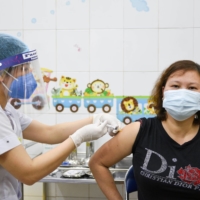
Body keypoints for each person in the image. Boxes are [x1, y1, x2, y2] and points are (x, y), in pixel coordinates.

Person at [0, 33, 122, 200]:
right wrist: (78, 138)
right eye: (24, 69)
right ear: (1, 74)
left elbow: (49, 132)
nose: (31, 74)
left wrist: (95, 118)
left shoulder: (7, 110)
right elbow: (28, 173)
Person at [89, 60, 200, 200]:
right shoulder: (140, 130)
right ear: (163, 91)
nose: (183, 94)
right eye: (175, 86)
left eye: (192, 88)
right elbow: (97, 163)